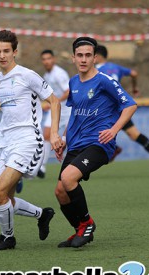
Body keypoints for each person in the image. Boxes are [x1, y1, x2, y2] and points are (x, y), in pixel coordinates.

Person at [0, 30, 63, 251]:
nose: (2, 55)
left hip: (28, 140)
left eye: (6, 51)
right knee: (5, 199)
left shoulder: (27, 75)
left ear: (15, 52)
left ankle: (7, 238)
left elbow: (54, 101)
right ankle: (42, 214)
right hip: (6, 143)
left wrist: (55, 133)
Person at [54, 37, 137, 248]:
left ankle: (87, 223)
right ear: (73, 58)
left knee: (68, 177)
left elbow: (130, 105)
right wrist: (64, 138)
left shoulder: (104, 80)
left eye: (88, 55)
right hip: (75, 143)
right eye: (79, 55)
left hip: (99, 144)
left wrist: (114, 129)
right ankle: (79, 230)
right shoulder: (73, 82)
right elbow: (74, 115)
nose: (83, 59)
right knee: (61, 191)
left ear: (95, 58)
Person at [95, 45, 149, 175]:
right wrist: (135, 88)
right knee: (135, 135)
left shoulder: (96, 70)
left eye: (92, 56)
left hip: (107, 110)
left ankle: (114, 149)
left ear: (97, 56)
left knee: (94, 131)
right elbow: (134, 73)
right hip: (121, 108)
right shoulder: (116, 67)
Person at [38, 49, 71, 178]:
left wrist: (54, 102)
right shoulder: (46, 75)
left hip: (67, 110)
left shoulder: (59, 74)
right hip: (55, 109)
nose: (46, 61)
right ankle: (42, 167)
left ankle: (72, 167)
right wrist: (49, 103)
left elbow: (68, 91)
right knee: (46, 134)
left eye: (49, 58)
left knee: (69, 139)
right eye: (44, 59)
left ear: (54, 59)